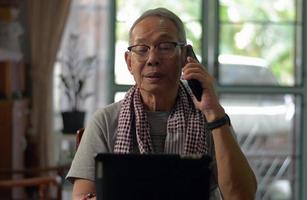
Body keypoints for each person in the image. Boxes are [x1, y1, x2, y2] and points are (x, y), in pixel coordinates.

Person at [66, 7, 257, 200]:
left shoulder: (211, 119)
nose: (153, 59)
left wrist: (214, 113)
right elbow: (82, 196)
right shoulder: (106, 121)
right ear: (129, 62)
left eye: (165, 47)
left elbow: (241, 196)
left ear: (185, 56)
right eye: (142, 49)